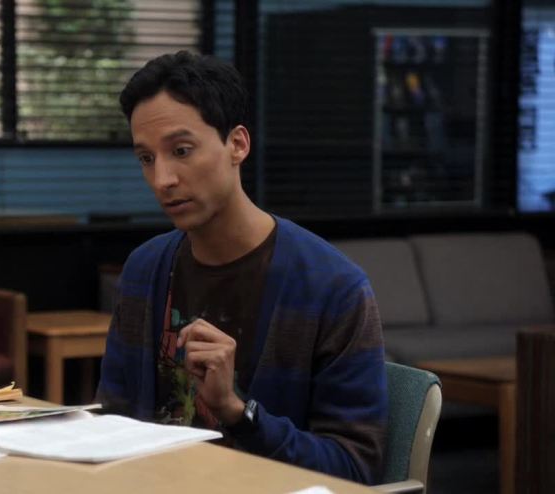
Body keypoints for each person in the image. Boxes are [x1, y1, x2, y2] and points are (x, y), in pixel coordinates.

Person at [96, 51, 387, 484]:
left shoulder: (332, 288)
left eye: (181, 151)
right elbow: (111, 420)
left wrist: (238, 412)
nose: (162, 179)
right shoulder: (145, 270)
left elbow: (355, 468)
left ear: (238, 144)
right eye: (146, 158)